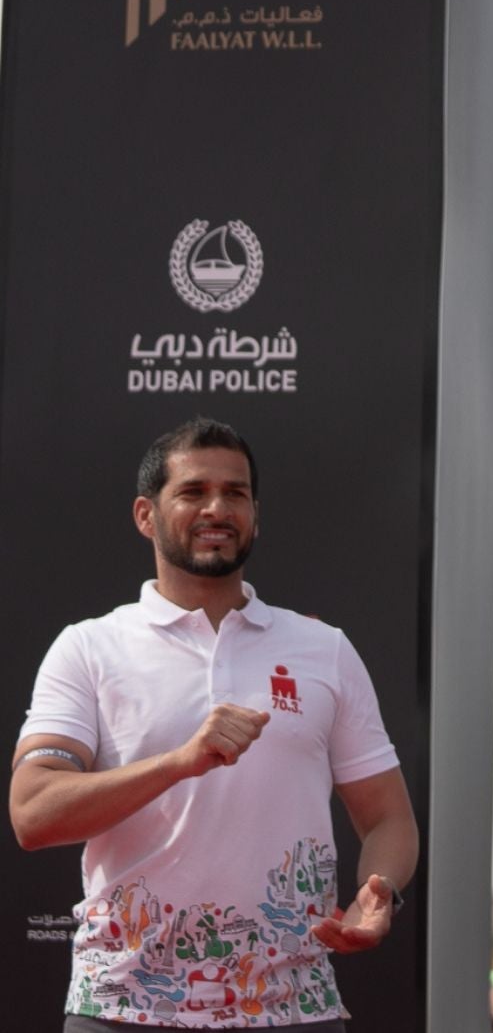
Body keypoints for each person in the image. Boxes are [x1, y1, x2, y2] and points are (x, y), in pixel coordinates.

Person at [9, 418, 418, 1032]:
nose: (217, 508)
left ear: (256, 512)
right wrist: (181, 761)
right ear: (146, 515)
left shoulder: (323, 648)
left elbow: (388, 816)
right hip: (123, 1008)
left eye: (236, 493)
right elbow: (34, 813)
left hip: (292, 1010)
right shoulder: (89, 648)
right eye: (194, 492)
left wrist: (378, 888)